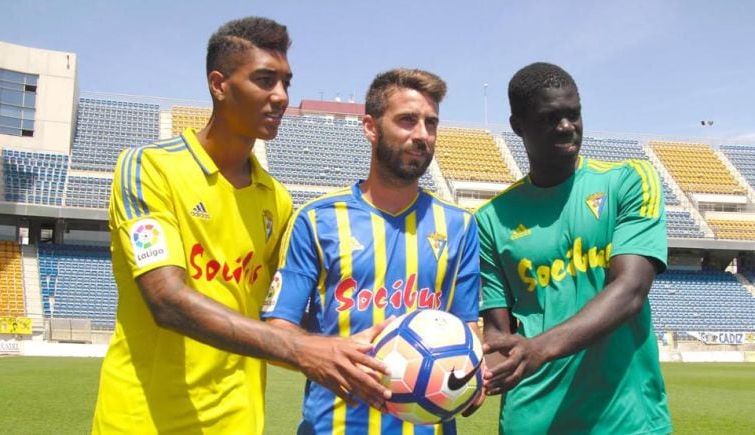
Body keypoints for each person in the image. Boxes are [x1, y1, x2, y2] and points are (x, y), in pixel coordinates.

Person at [92, 17, 390, 434]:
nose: (281, 96)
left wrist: (378, 348)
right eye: (265, 80)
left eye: (286, 81)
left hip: (240, 422)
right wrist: (304, 349)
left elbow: (277, 313)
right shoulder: (149, 168)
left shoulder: (276, 198)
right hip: (145, 421)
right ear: (219, 84)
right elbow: (167, 301)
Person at [261, 68, 483, 434]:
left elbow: (467, 325)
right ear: (370, 127)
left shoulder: (459, 225)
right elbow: (279, 326)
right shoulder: (317, 220)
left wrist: (475, 367)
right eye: (407, 121)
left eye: (431, 123)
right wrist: (328, 353)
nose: (422, 135)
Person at [475, 62, 672, 434]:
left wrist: (540, 348)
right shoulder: (490, 219)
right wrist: (475, 378)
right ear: (518, 126)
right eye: (550, 118)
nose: (567, 127)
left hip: (626, 420)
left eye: (574, 114)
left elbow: (631, 290)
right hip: (533, 420)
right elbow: (499, 334)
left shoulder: (630, 180)